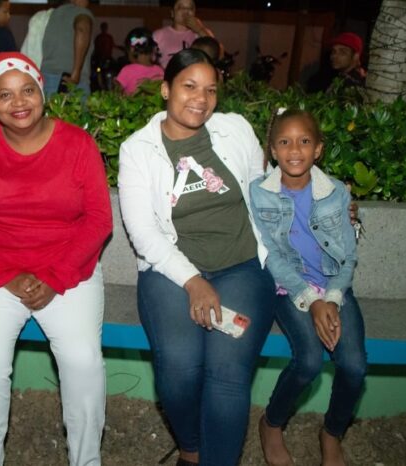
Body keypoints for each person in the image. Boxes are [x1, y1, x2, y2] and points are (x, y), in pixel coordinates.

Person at [0, 51, 112, 466]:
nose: (19, 102)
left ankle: (86, 461)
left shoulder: (77, 144)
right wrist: (7, 275)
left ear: (42, 93)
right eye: (5, 95)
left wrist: (55, 277)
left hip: (67, 269)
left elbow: (98, 221)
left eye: (27, 90)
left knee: (83, 359)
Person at [118, 48, 277, 466]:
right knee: (179, 368)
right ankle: (191, 449)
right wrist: (193, 281)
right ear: (166, 89)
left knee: (227, 375)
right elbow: (144, 234)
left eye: (210, 90)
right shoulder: (138, 149)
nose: (201, 99)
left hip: (241, 267)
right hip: (170, 271)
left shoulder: (234, 130)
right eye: (189, 86)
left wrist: (321, 195)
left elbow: (264, 189)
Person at [251, 108, 367, 466]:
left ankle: (332, 433)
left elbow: (348, 257)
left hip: (334, 287)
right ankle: (272, 423)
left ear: (318, 149)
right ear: (273, 150)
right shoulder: (258, 193)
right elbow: (270, 256)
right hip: (290, 288)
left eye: (304, 141)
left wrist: (331, 297)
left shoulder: (336, 193)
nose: (295, 150)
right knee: (309, 362)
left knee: (354, 366)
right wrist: (311, 300)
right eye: (285, 142)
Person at [41, 0, 93, 95]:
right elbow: (82, 29)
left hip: (46, 79)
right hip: (68, 82)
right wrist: (76, 74)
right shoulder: (81, 12)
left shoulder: (52, 15)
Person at [153, 0, 214, 69]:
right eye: (180, 7)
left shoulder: (202, 33)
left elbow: (217, 53)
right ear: (172, 13)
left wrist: (199, 30)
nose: (186, 11)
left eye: (190, 8)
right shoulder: (159, 35)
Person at [114, 27, 164, 95]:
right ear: (152, 49)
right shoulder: (160, 71)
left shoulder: (127, 70)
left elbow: (116, 95)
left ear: (131, 49)